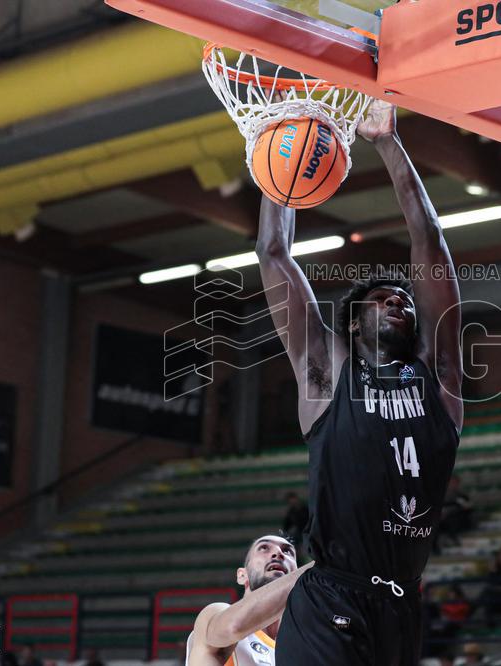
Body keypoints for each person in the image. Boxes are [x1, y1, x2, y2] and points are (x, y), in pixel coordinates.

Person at [258, 99, 463, 666]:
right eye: (382, 298)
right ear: (352, 321)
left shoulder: (439, 381)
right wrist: (281, 160)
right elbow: (273, 254)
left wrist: (388, 142)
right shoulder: (326, 376)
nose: (399, 301)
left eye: (405, 299)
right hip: (330, 595)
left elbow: (431, 244)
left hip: (402, 606)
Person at [186, 534, 308, 665]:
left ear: (295, 570)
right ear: (242, 575)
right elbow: (234, 627)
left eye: (287, 551)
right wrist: (318, 569)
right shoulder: (215, 614)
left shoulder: (303, 648)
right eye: (264, 548)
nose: (278, 553)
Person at [438, 475, 474, 552]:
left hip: (458, 518)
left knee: (453, 519)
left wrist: (449, 512)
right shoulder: (442, 496)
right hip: (443, 519)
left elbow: (467, 507)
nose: (452, 485)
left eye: (454, 483)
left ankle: (453, 538)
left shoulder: (462, 496)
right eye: (450, 483)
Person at [281, 492, 309, 556]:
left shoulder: (305, 509)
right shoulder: (291, 512)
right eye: (290, 501)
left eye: (293, 499)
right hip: (299, 533)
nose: (293, 502)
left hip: (307, 532)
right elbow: (287, 525)